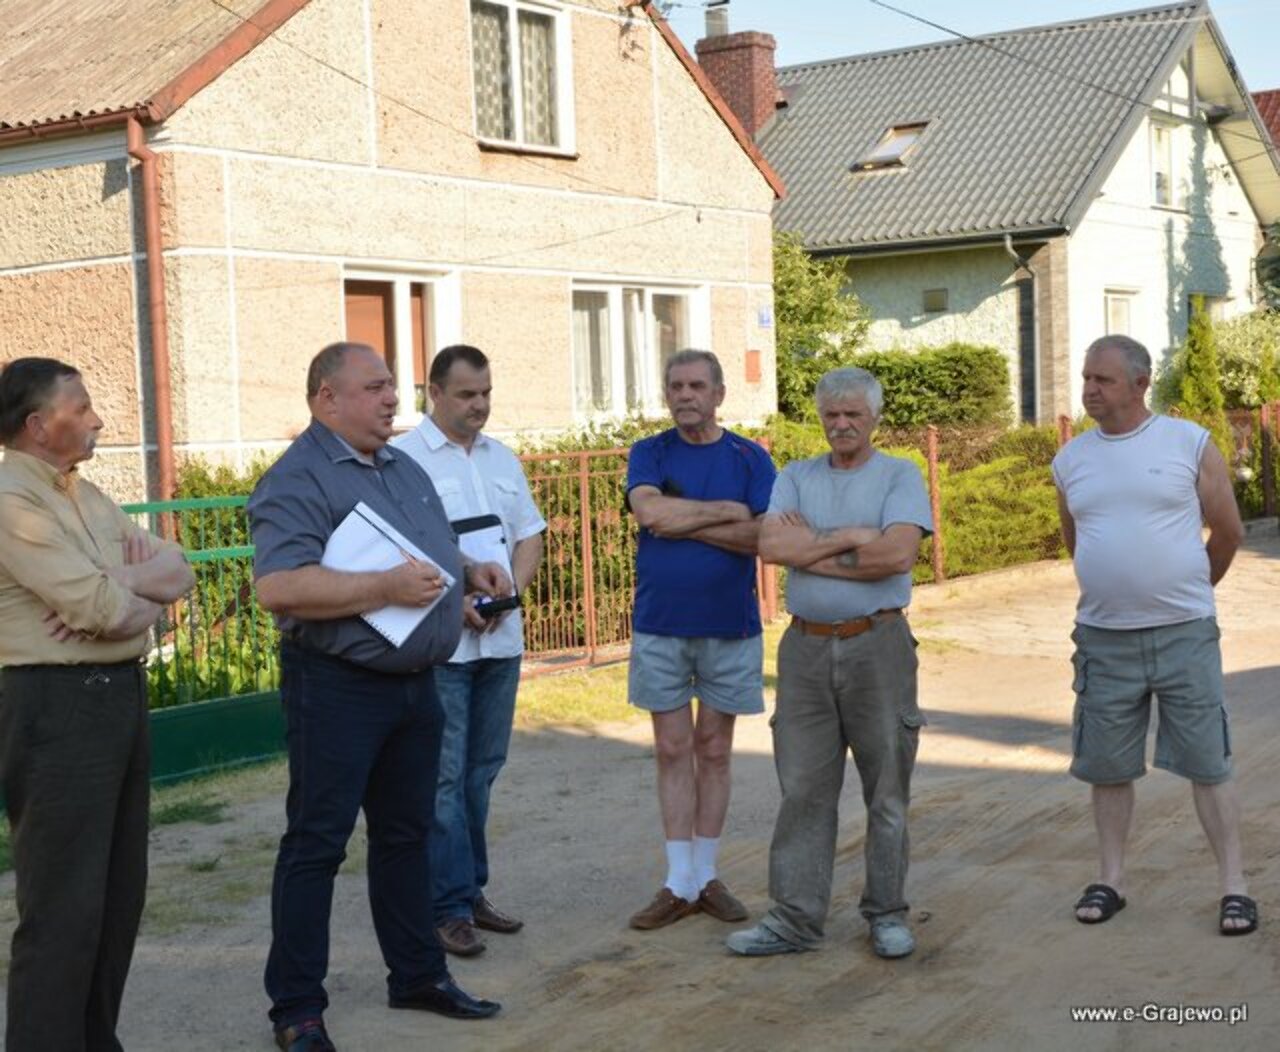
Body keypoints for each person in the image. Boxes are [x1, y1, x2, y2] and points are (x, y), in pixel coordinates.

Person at [249, 343, 509, 1052]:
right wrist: (385, 589)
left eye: (392, 385)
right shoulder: (296, 478)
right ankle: (297, 1009)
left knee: (406, 837)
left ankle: (417, 975)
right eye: (374, 387)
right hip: (337, 687)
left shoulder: (400, 465)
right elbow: (279, 586)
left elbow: (424, 547)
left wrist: (467, 573)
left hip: (414, 686)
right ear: (326, 399)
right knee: (316, 845)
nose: (392, 398)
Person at [0, 357, 195, 1052]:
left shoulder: (88, 496)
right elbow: (100, 609)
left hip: (117, 697)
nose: (98, 419)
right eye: (80, 407)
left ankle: (93, 1040)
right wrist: (125, 593)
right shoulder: (12, 502)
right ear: (37, 425)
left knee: (117, 899)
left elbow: (179, 570)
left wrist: (116, 582)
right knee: (63, 909)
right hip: (54, 706)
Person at [726, 366, 932, 960]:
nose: (841, 425)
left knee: (886, 790)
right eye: (832, 414)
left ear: (875, 418)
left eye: (853, 415)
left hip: (879, 644)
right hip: (805, 649)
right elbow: (772, 546)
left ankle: (886, 914)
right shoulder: (795, 475)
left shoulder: (899, 474)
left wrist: (812, 547)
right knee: (803, 790)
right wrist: (853, 536)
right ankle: (793, 920)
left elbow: (897, 555)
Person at [1053, 335, 1255, 935]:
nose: (1089, 389)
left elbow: (1228, 532)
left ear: (1141, 384)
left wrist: (1188, 589)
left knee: (1208, 761)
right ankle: (1111, 879)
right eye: (1086, 378)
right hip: (1103, 638)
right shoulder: (1070, 460)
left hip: (1184, 634)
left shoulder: (1188, 443)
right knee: (1107, 766)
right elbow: (1077, 542)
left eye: (1103, 379)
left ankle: (1234, 886)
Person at [392, 345, 545, 957]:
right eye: (466, 394)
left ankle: (469, 891)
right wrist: (454, 600)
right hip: (443, 647)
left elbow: (529, 536)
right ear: (433, 392)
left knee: (482, 773)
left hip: (500, 644)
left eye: (485, 393)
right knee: (444, 778)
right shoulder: (403, 461)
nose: (479, 405)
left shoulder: (501, 457)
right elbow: (401, 547)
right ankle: (445, 907)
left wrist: (509, 598)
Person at [624, 349, 776, 930]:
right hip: (660, 623)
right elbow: (650, 516)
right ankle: (677, 881)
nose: (684, 395)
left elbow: (763, 537)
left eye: (695, 386)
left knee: (713, 748)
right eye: (675, 386)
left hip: (729, 625)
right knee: (671, 749)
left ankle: (706, 877)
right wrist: (725, 513)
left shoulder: (750, 457)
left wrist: (683, 520)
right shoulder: (650, 452)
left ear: (719, 394)